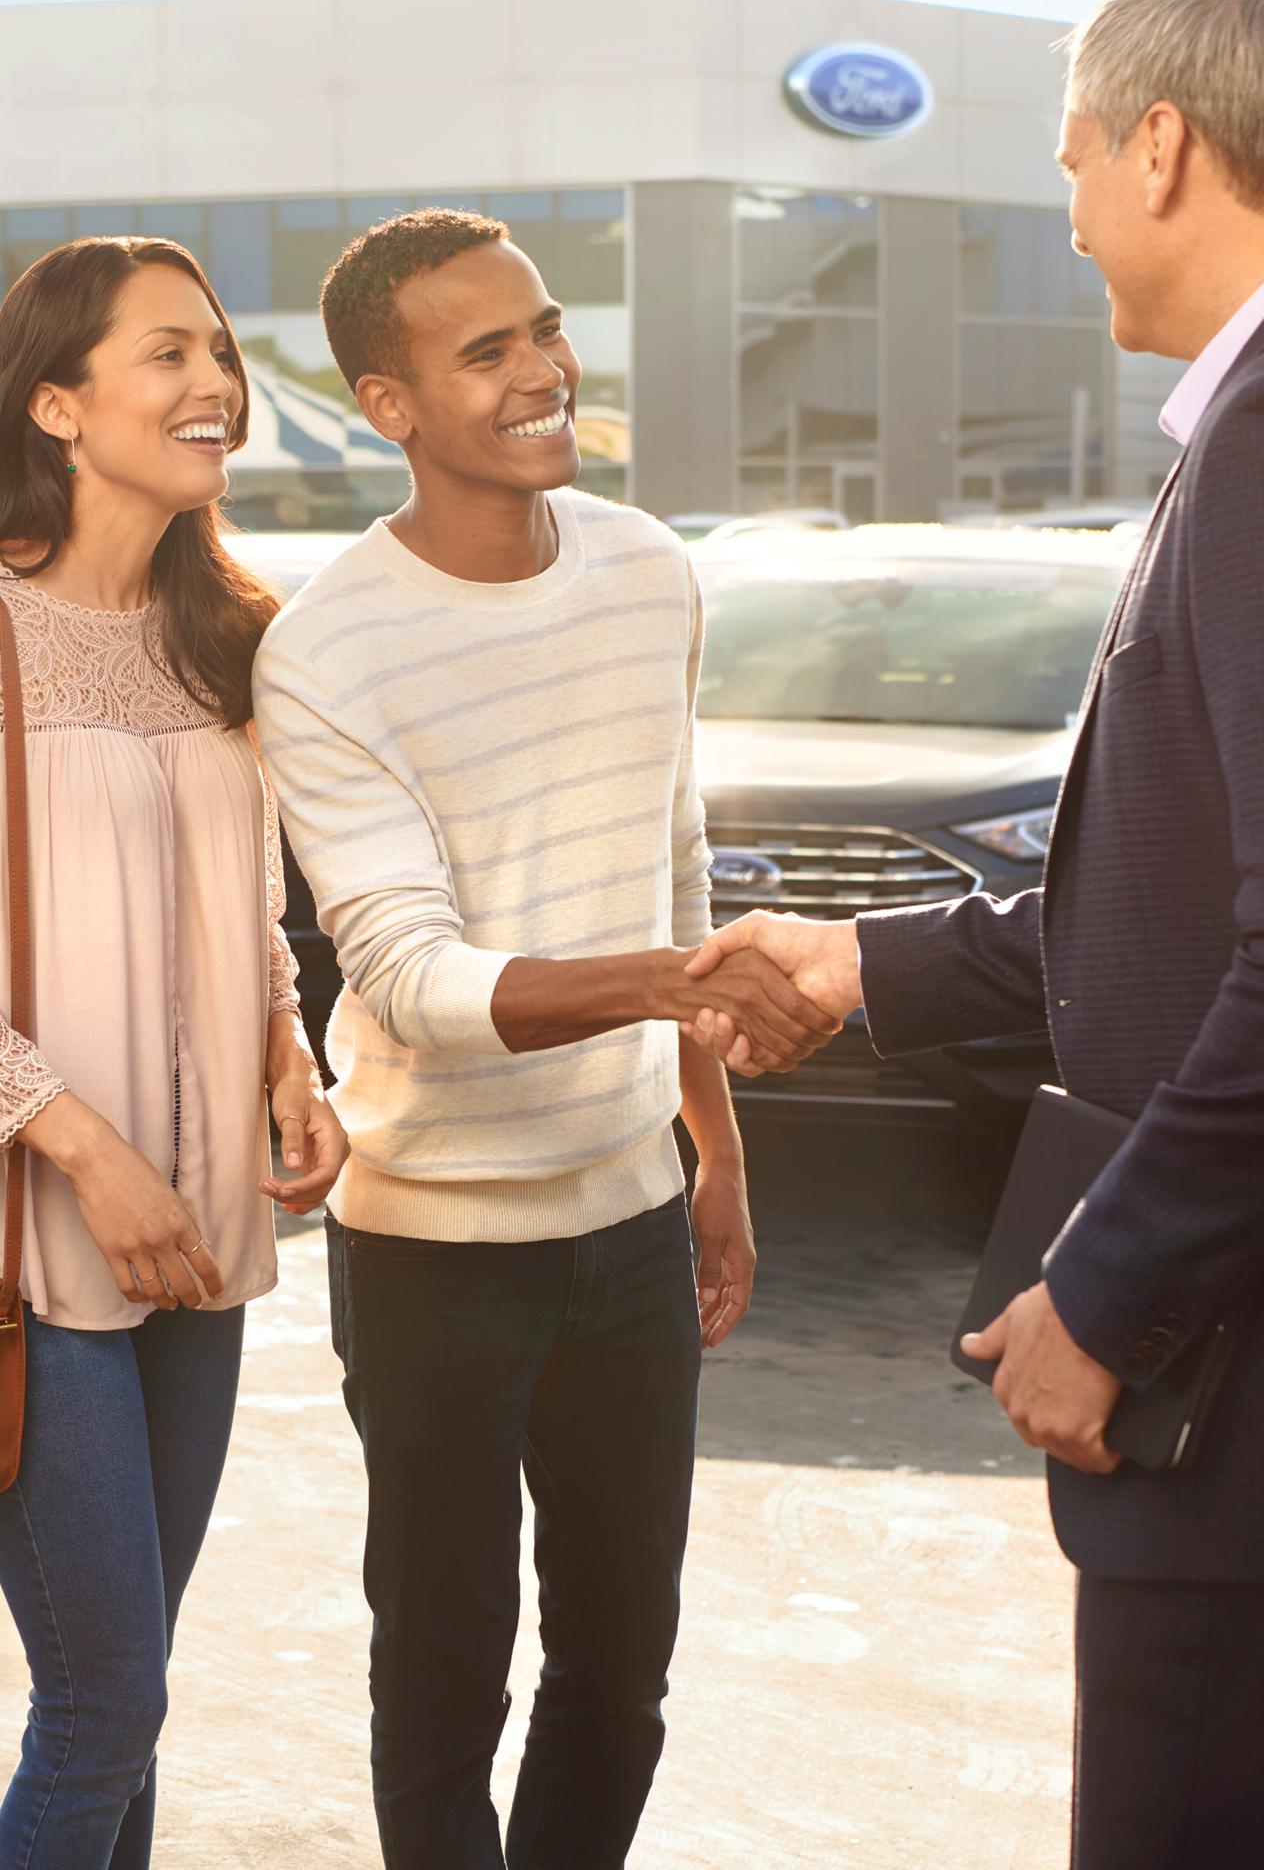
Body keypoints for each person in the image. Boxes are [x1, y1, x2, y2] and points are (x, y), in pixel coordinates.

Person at [686, 0, 1264, 1864]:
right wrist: (864, 964)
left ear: (1165, 146)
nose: (1075, 207)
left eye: (1078, 157)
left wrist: (1111, 1297)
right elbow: (1196, 890)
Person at [251, 208, 835, 1870]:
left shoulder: (652, 569)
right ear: (390, 404)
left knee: (620, 1676)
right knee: (443, 1687)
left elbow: (679, 871)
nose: (541, 371)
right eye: (484, 350)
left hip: (633, 1219)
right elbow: (412, 974)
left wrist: (714, 1152)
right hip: (435, 1247)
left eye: (547, 329)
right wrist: (672, 985)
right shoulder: (329, 647)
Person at [0, 235, 347, 1869]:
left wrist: (292, 1055)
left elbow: (249, 902)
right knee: (105, 1702)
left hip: (204, 1225)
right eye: (168, 356)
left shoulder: (237, 641)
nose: (217, 382)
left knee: (126, 1700)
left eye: (221, 352)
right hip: (38, 1241)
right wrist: (77, 1139)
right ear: (57, 403)